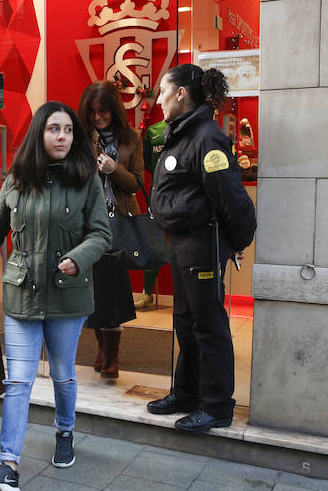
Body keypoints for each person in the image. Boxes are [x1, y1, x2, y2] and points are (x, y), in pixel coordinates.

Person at [0, 101, 110, 491]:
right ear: (40, 133)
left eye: (68, 130)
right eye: (54, 129)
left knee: (62, 373)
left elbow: (101, 235)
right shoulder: (17, 180)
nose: (62, 137)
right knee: (18, 379)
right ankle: (8, 464)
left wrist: (77, 257)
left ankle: (65, 431)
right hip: (23, 295)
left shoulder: (86, 178)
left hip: (68, 298)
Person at [147, 64, 256, 434]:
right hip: (181, 243)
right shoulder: (181, 134)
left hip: (200, 244)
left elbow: (228, 196)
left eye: (163, 90)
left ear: (181, 93)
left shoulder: (207, 137)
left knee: (207, 325)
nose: (158, 98)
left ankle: (216, 406)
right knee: (185, 322)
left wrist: (236, 241)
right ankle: (187, 392)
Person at [77, 80, 143, 379]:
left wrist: (113, 169)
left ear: (114, 109)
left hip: (119, 221)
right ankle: (102, 348)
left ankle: (112, 354)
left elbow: (137, 184)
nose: (97, 117)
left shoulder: (132, 138)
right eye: (92, 112)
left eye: (103, 111)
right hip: (86, 223)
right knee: (92, 290)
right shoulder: (80, 138)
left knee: (113, 290)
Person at [136, 116, 168, 310]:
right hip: (156, 196)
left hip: (184, 198)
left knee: (183, 245)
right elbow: (147, 162)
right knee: (152, 243)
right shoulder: (153, 131)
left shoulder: (189, 127)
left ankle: (186, 294)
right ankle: (147, 291)